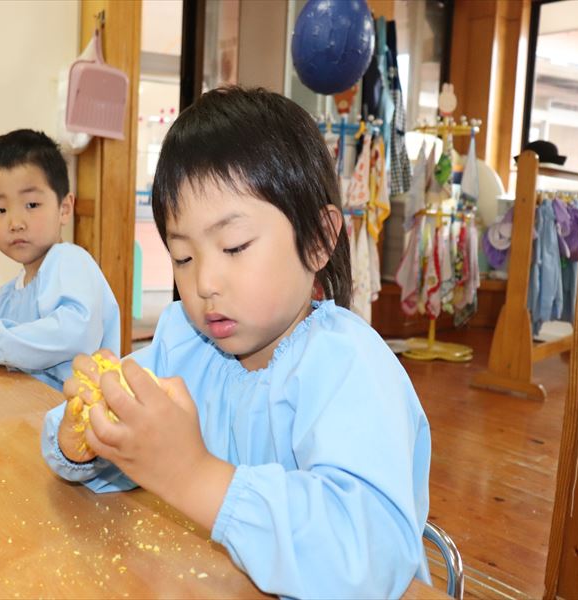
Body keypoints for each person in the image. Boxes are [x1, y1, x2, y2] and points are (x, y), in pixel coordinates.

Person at [41, 88, 430, 597]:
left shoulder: (348, 367)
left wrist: (193, 476)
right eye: (183, 257)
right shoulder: (184, 343)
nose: (204, 283)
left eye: (234, 246)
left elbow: (367, 559)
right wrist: (81, 441)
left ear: (318, 238)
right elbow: (126, 453)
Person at [0, 129, 120, 390]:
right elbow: (24, 355)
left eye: (31, 205)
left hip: (77, 411)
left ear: (64, 208)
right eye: (0, 209)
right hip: (28, 410)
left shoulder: (71, 262)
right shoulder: (9, 294)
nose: (16, 223)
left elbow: (76, 333)